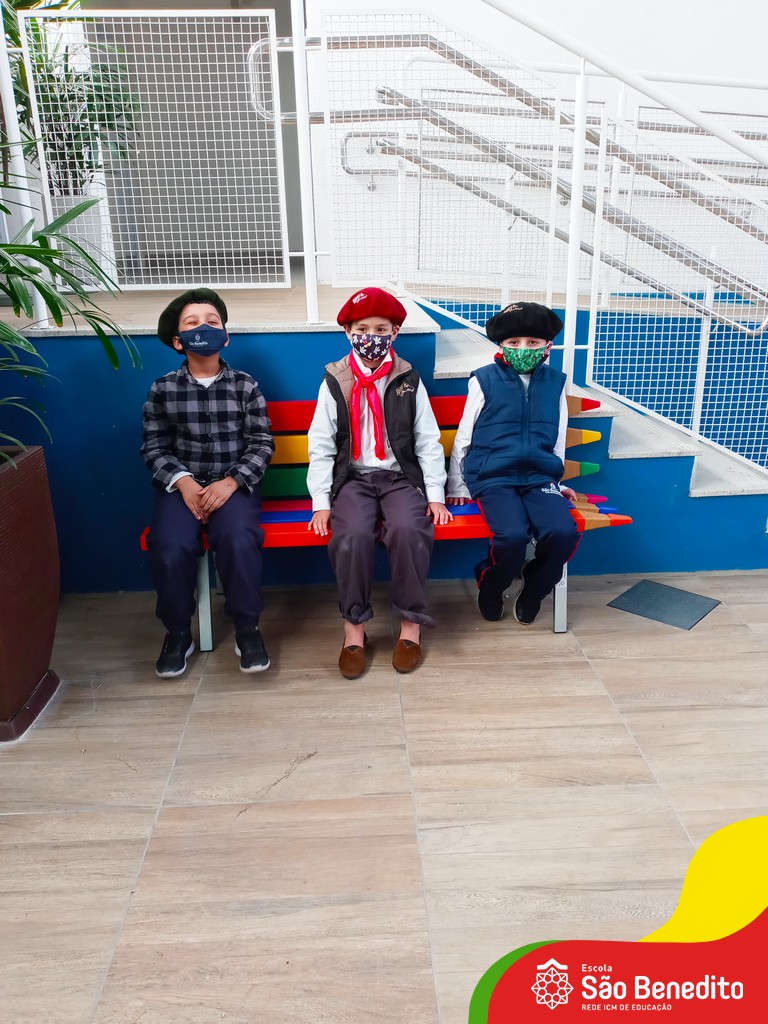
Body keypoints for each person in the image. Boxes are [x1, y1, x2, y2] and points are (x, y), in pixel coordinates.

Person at [306, 286, 453, 678]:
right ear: (348, 332)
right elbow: (321, 444)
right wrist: (321, 501)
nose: (371, 336)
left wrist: (435, 494)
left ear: (394, 333)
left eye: (381, 329)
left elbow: (427, 440)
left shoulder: (407, 379)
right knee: (351, 535)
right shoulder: (335, 380)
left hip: (399, 477)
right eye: (362, 329)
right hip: (353, 478)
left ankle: (410, 625)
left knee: (409, 529)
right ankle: (354, 628)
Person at [141, 288, 274, 678]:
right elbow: (154, 446)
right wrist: (183, 483)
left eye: (212, 322)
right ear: (177, 341)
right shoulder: (163, 389)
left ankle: (247, 627)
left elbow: (262, 442)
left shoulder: (245, 386)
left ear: (226, 336)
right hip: (181, 490)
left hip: (233, 487)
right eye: (193, 323)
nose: (204, 328)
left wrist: (231, 482)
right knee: (169, 545)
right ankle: (178, 631)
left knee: (238, 538)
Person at [446, 301, 579, 624]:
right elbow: (464, 437)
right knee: (512, 536)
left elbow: (558, 436)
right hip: (493, 476)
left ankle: (534, 590)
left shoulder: (555, 383)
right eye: (514, 342)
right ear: (501, 345)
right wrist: (458, 485)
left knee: (562, 532)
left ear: (547, 345)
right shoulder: (484, 380)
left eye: (533, 342)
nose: (523, 348)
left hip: (540, 477)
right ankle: (491, 585)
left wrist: (557, 482)